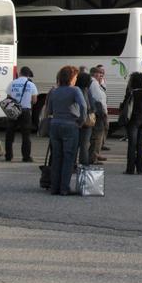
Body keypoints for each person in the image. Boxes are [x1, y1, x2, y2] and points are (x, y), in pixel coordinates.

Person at [46, 65, 86, 195]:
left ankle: (54, 187)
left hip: (55, 124)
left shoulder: (53, 91)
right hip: (70, 125)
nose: (76, 79)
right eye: (75, 77)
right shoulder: (75, 90)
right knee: (68, 157)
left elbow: (49, 110)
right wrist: (81, 120)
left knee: (56, 157)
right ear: (71, 77)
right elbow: (83, 106)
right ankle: (64, 188)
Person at [4, 66, 38, 162]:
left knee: (9, 134)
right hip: (25, 111)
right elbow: (34, 100)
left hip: (13, 110)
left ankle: (8, 156)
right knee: (26, 135)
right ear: (28, 75)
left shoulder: (12, 83)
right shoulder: (31, 85)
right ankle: (26, 157)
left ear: (20, 73)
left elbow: (8, 97)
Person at [122, 72, 142, 174]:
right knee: (141, 145)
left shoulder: (131, 93)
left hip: (133, 121)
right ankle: (140, 168)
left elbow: (125, 106)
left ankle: (130, 169)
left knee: (132, 145)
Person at [88, 66, 108, 165]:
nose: (101, 76)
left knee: (98, 136)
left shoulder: (96, 83)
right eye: (100, 74)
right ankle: (93, 157)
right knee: (97, 136)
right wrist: (103, 112)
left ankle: (95, 154)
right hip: (99, 113)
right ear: (95, 74)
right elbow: (98, 98)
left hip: (99, 112)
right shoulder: (94, 83)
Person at [75, 72, 95, 166]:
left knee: (74, 144)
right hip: (86, 121)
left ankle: (72, 164)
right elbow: (92, 106)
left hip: (75, 120)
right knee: (84, 145)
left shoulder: (74, 90)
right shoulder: (87, 91)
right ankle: (84, 165)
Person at [96, 64, 111, 153]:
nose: (102, 72)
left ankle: (102, 144)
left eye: (103, 71)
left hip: (104, 107)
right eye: (100, 71)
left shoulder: (103, 80)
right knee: (100, 129)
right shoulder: (95, 82)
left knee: (106, 127)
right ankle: (98, 147)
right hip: (99, 109)